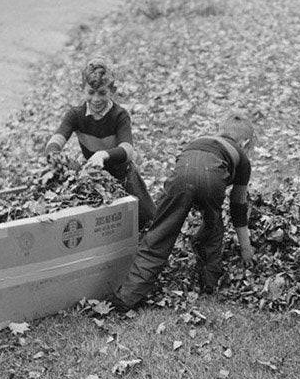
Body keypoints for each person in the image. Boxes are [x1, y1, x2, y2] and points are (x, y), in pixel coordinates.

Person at [110, 111, 257, 311]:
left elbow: (184, 165)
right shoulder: (242, 158)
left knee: (159, 236)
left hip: (181, 172)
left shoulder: (203, 140)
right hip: (211, 179)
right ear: (245, 143)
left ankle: (125, 298)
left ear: (220, 132)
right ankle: (209, 284)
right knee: (213, 230)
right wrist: (246, 248)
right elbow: (238, 206)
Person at [46, 59, 156, 230]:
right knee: (104, 224)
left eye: (102, 93)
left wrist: (103, 154)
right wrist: (53, 153)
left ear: (112, 91)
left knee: (146, 219)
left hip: (123, 175)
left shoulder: (119, 116)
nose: (96, 99)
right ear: (82, 89)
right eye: (91, 92)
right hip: (94, 177)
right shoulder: (75, 115)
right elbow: (58, 137)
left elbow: (127, 150)